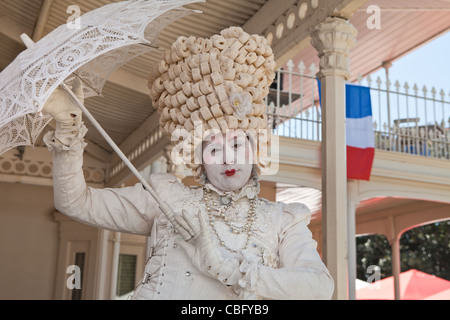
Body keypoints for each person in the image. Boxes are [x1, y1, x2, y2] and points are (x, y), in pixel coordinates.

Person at [42, 26, 334, 300]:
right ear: (199, 159)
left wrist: (228, 269)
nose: (227, 158)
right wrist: (68, 129)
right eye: (213, 149)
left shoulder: (282, 220)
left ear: (254, 149)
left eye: (236, 144)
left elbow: (319, 286)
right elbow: (76, 202)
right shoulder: (167, 199)